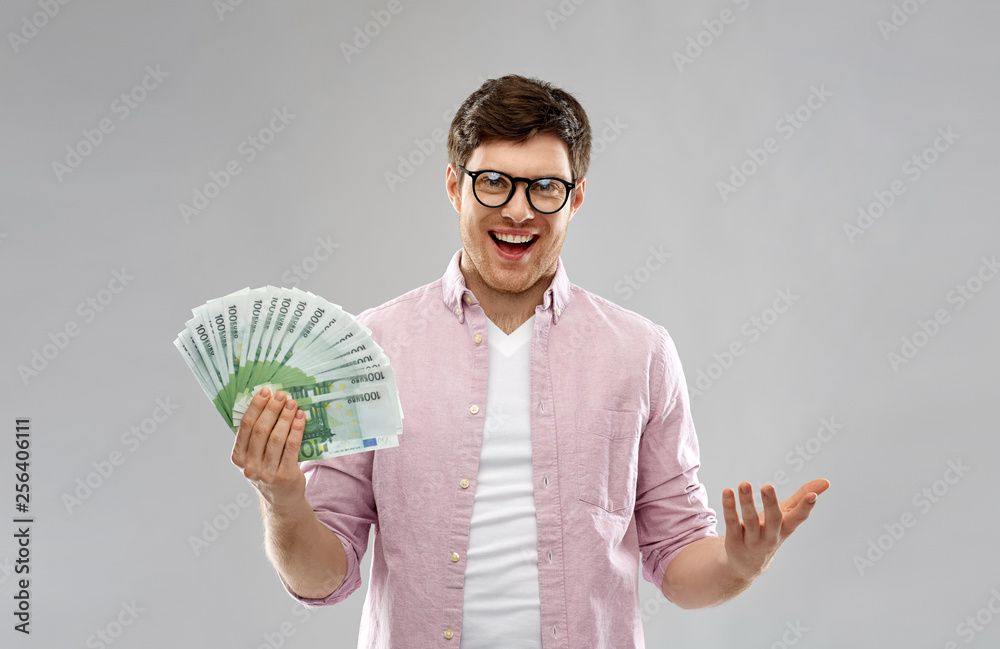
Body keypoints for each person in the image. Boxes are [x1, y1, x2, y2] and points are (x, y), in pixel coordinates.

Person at [230, 74, 830, 648]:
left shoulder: (640, 352)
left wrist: (738, 562)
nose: (519, 211)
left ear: (577, 198)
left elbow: (677, 559)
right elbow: (322, 579)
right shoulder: (369, 347)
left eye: (545, 187)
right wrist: (282, 499)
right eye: (494, 181)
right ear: (453, 185)